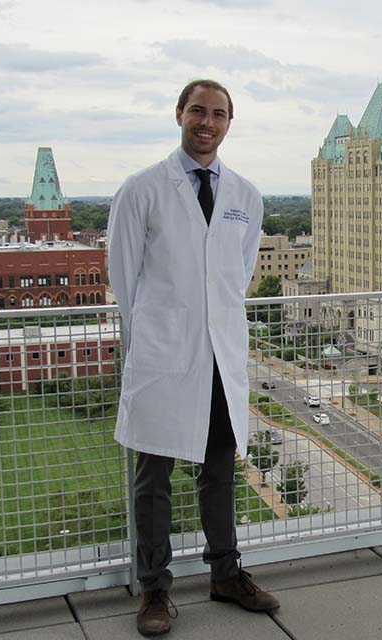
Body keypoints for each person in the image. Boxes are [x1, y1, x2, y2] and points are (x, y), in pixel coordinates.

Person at [108, 79, 278, 637]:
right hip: (163, 354)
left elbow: (237, 276)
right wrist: (155, 337)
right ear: (179, 114)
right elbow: (124, 277)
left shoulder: (246, 196)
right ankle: (154, 589)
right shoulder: (142, 189)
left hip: (219, 355)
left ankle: (225, 574)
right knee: (153, 477)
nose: (207, 122)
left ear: (229, 123)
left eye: (218, 114)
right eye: (198, 111)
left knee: (219, 470)